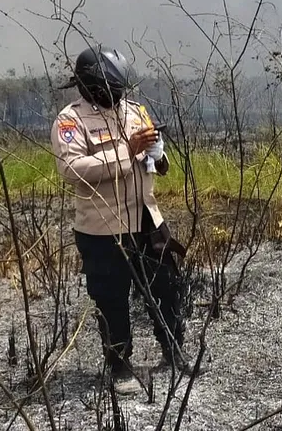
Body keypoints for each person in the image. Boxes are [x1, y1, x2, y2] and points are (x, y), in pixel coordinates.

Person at [51, 45, 191, 396]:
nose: (116, 95)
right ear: (87, 85)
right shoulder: (72, 120)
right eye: (108, 89)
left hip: (148, 220)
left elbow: (156, 162)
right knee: (112, 299)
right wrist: (126, 150)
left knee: (167, 289)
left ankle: (173, 349)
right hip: (103, 229)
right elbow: (73, 171)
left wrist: (159, 157)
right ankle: (119, 365)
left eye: (120, 88)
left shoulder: (134, 110)